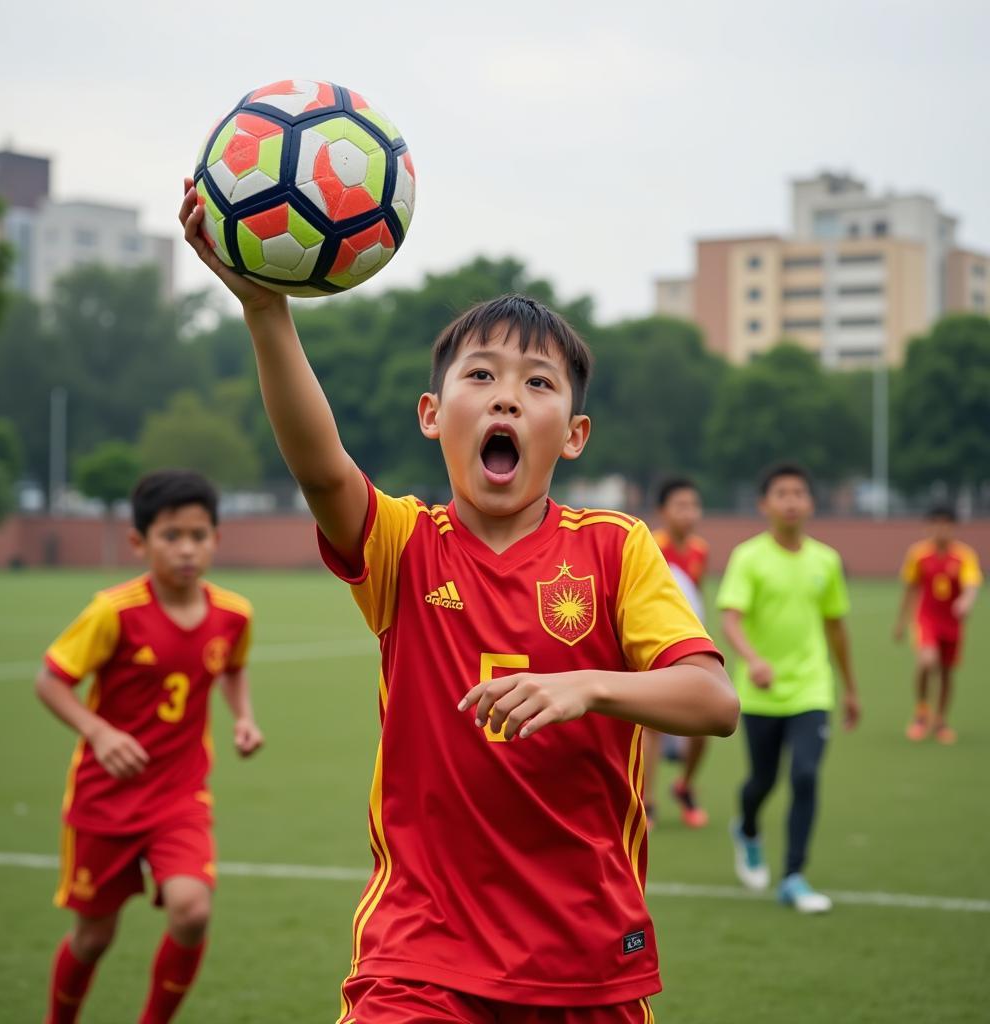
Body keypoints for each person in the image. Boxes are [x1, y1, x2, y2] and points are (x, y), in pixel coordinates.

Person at [180, 182, 738, 1022]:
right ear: (434, 416)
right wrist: (266, 310)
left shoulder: (617, 547)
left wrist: (586, 685)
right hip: (420, 951)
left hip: (584, 956)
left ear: (575, 434)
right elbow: (322, 467)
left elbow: (713, 699)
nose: (508, 396)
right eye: (482, 375)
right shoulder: (403, 545)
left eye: (538, 384)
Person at [37, 470, 263, 1024]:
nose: (186, 549)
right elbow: (51, 680)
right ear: (139, 542)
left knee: (191, 910)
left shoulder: (234, 614)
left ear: (215, 538)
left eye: (198, 535)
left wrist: (244, 719)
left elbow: (232, 670)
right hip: (104, 799)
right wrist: (100, 731)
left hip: (179, 794)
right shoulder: (113, 612)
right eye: (170, 536)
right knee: (93, 937)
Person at [717, 462, 860, 914]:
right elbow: (731, 618)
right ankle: (748, 829)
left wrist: (851, 688)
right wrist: (753, 660)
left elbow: (837, 628)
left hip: (811, 689)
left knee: (804, 775)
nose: (792, 501)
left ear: (811, 502)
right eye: (782, 493)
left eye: (799, 493)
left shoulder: (826, 561)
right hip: (760, 693)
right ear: (764, 504)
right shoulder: (748, 557)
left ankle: (794, 876)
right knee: (762, 780)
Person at [644, 477, 711, 829]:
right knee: (651, 728)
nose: (689, 514)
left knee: (703, 726)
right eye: (680, 506)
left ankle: (684, 785)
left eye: (694, 506)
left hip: (686, 649)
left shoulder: (700, 550)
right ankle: (648, 802)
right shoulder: (649, 546)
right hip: (652, 649)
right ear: (662, 511)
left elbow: (693, 600)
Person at [894, 504, 982, 744]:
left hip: (952, 622)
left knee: (945, 671)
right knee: (926, 661)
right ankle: (922, 713)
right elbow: (910, 589)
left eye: (946, 524)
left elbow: (972, 584)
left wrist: (966, 601)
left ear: (954, 527)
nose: (941, 529)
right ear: (928, 527)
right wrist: (901, 622)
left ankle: (941, 719)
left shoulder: (964, 556)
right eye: (936, 524)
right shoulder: (918, 554)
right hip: (927, 619)